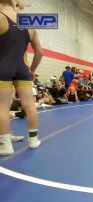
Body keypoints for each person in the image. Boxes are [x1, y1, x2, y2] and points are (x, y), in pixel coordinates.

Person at [0, 0, 43, 155]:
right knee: (30, 106)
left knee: (2, 108)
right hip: (22, 69)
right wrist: (32, 70)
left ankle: (4, 145)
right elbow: (39, 53)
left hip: (3, 68)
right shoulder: (29, 24)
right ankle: (33, 140)